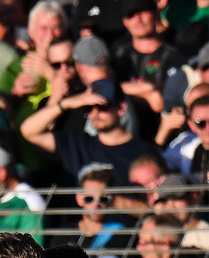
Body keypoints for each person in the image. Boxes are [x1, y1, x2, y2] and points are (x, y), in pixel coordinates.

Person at [20, 76, 157, 186]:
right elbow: (29, 131)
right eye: (88, 108)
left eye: (102, 106)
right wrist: (66, 103)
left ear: (121, 108)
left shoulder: (144, 152)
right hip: (78, 220)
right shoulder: (77, 144)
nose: (95, 113)